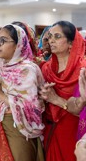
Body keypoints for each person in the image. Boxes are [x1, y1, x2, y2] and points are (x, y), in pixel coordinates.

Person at [0, 24, 45, 161]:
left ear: (18, 45)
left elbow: (32, 108)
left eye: (3, 40)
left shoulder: (28, 69)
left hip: (19, 129)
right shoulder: (0, 68)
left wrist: (0, 94)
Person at [39, 21, 86, 161]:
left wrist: (55, 99)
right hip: (50, 129)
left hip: (74, 130)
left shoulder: (83, 70)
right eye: (50, 36)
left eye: (58, 36)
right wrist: (42, 97)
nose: (51, 40)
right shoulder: (46, 69)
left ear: (71, 43)